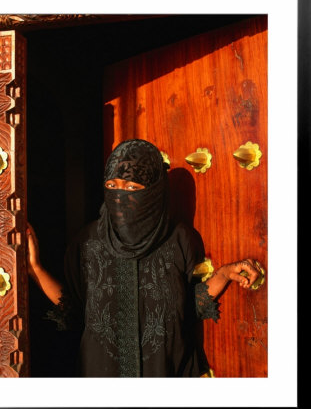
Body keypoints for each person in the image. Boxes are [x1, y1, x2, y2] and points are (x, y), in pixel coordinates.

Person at [27, 139, 261, 377]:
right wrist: (35, 268)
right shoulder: (87, 242)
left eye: (131, 189)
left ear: (153, 191)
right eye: (112, 185)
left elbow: (188, 308)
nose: (119, 197)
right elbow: (74, 308)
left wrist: (223, 274)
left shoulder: (179, 239)